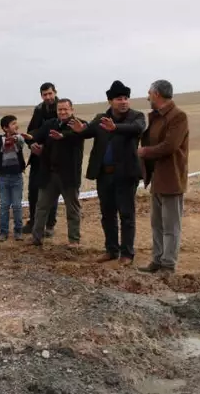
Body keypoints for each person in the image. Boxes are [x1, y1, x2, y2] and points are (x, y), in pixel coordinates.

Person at [68, 80, 146, 264]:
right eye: (119, 98)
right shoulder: (101, 118)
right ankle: (111, 250)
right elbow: (88, 132)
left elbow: (137, 129)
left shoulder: (137, 116)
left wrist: (115, 128)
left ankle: (127, 254)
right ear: (110, 101)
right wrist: (80, 130)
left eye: (126, 98)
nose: (124, 101)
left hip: (126, 174)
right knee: (107, 214)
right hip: (105, 174)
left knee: (126, 215)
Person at [138, 80, 189, 276]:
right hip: (158, 179)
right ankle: (157, 260)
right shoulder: (156, 117)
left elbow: (170, 146)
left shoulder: (178, 117)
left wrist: (144, 152)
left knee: (171, 226)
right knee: (157, 224)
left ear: (157, 94)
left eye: (149, 92)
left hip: (172, 178)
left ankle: (168, 265)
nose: (147, 96)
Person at [26, 99, 85, 247]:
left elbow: (80, 135)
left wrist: (63, 136)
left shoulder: (78, 125)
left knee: (72, 209)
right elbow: (37, 136)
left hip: (69, 176)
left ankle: (74, 240)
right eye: (60, 110)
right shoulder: (50, 124)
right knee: (41, 207)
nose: (63, 112)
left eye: (65, 109)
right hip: (49, 174)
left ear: (72, 109)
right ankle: (36, 238)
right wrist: (30, 141)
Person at [22, 82, 58, 235]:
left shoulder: (62, 108)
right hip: (38, 157)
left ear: (55, 92)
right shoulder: (39, 110)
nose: (48, 97)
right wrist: (31, 145)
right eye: (45, 95)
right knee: (33, 191)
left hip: (55, 157)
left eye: (50, 94)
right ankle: (34, 221)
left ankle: (49, 224)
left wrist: (47, 146)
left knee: (52, 191)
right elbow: (31, 131)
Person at [0, 115, 30, 242]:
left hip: (17, 177)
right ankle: (3, 232)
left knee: (17, 205)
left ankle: (18, 231)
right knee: (4, 205)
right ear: (5, 128)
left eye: (16, 123)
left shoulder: (20, 138)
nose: (16, 125)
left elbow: (20, 141)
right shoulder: (0, 138)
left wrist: (14, 138)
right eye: (13, 124)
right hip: (3, 178)